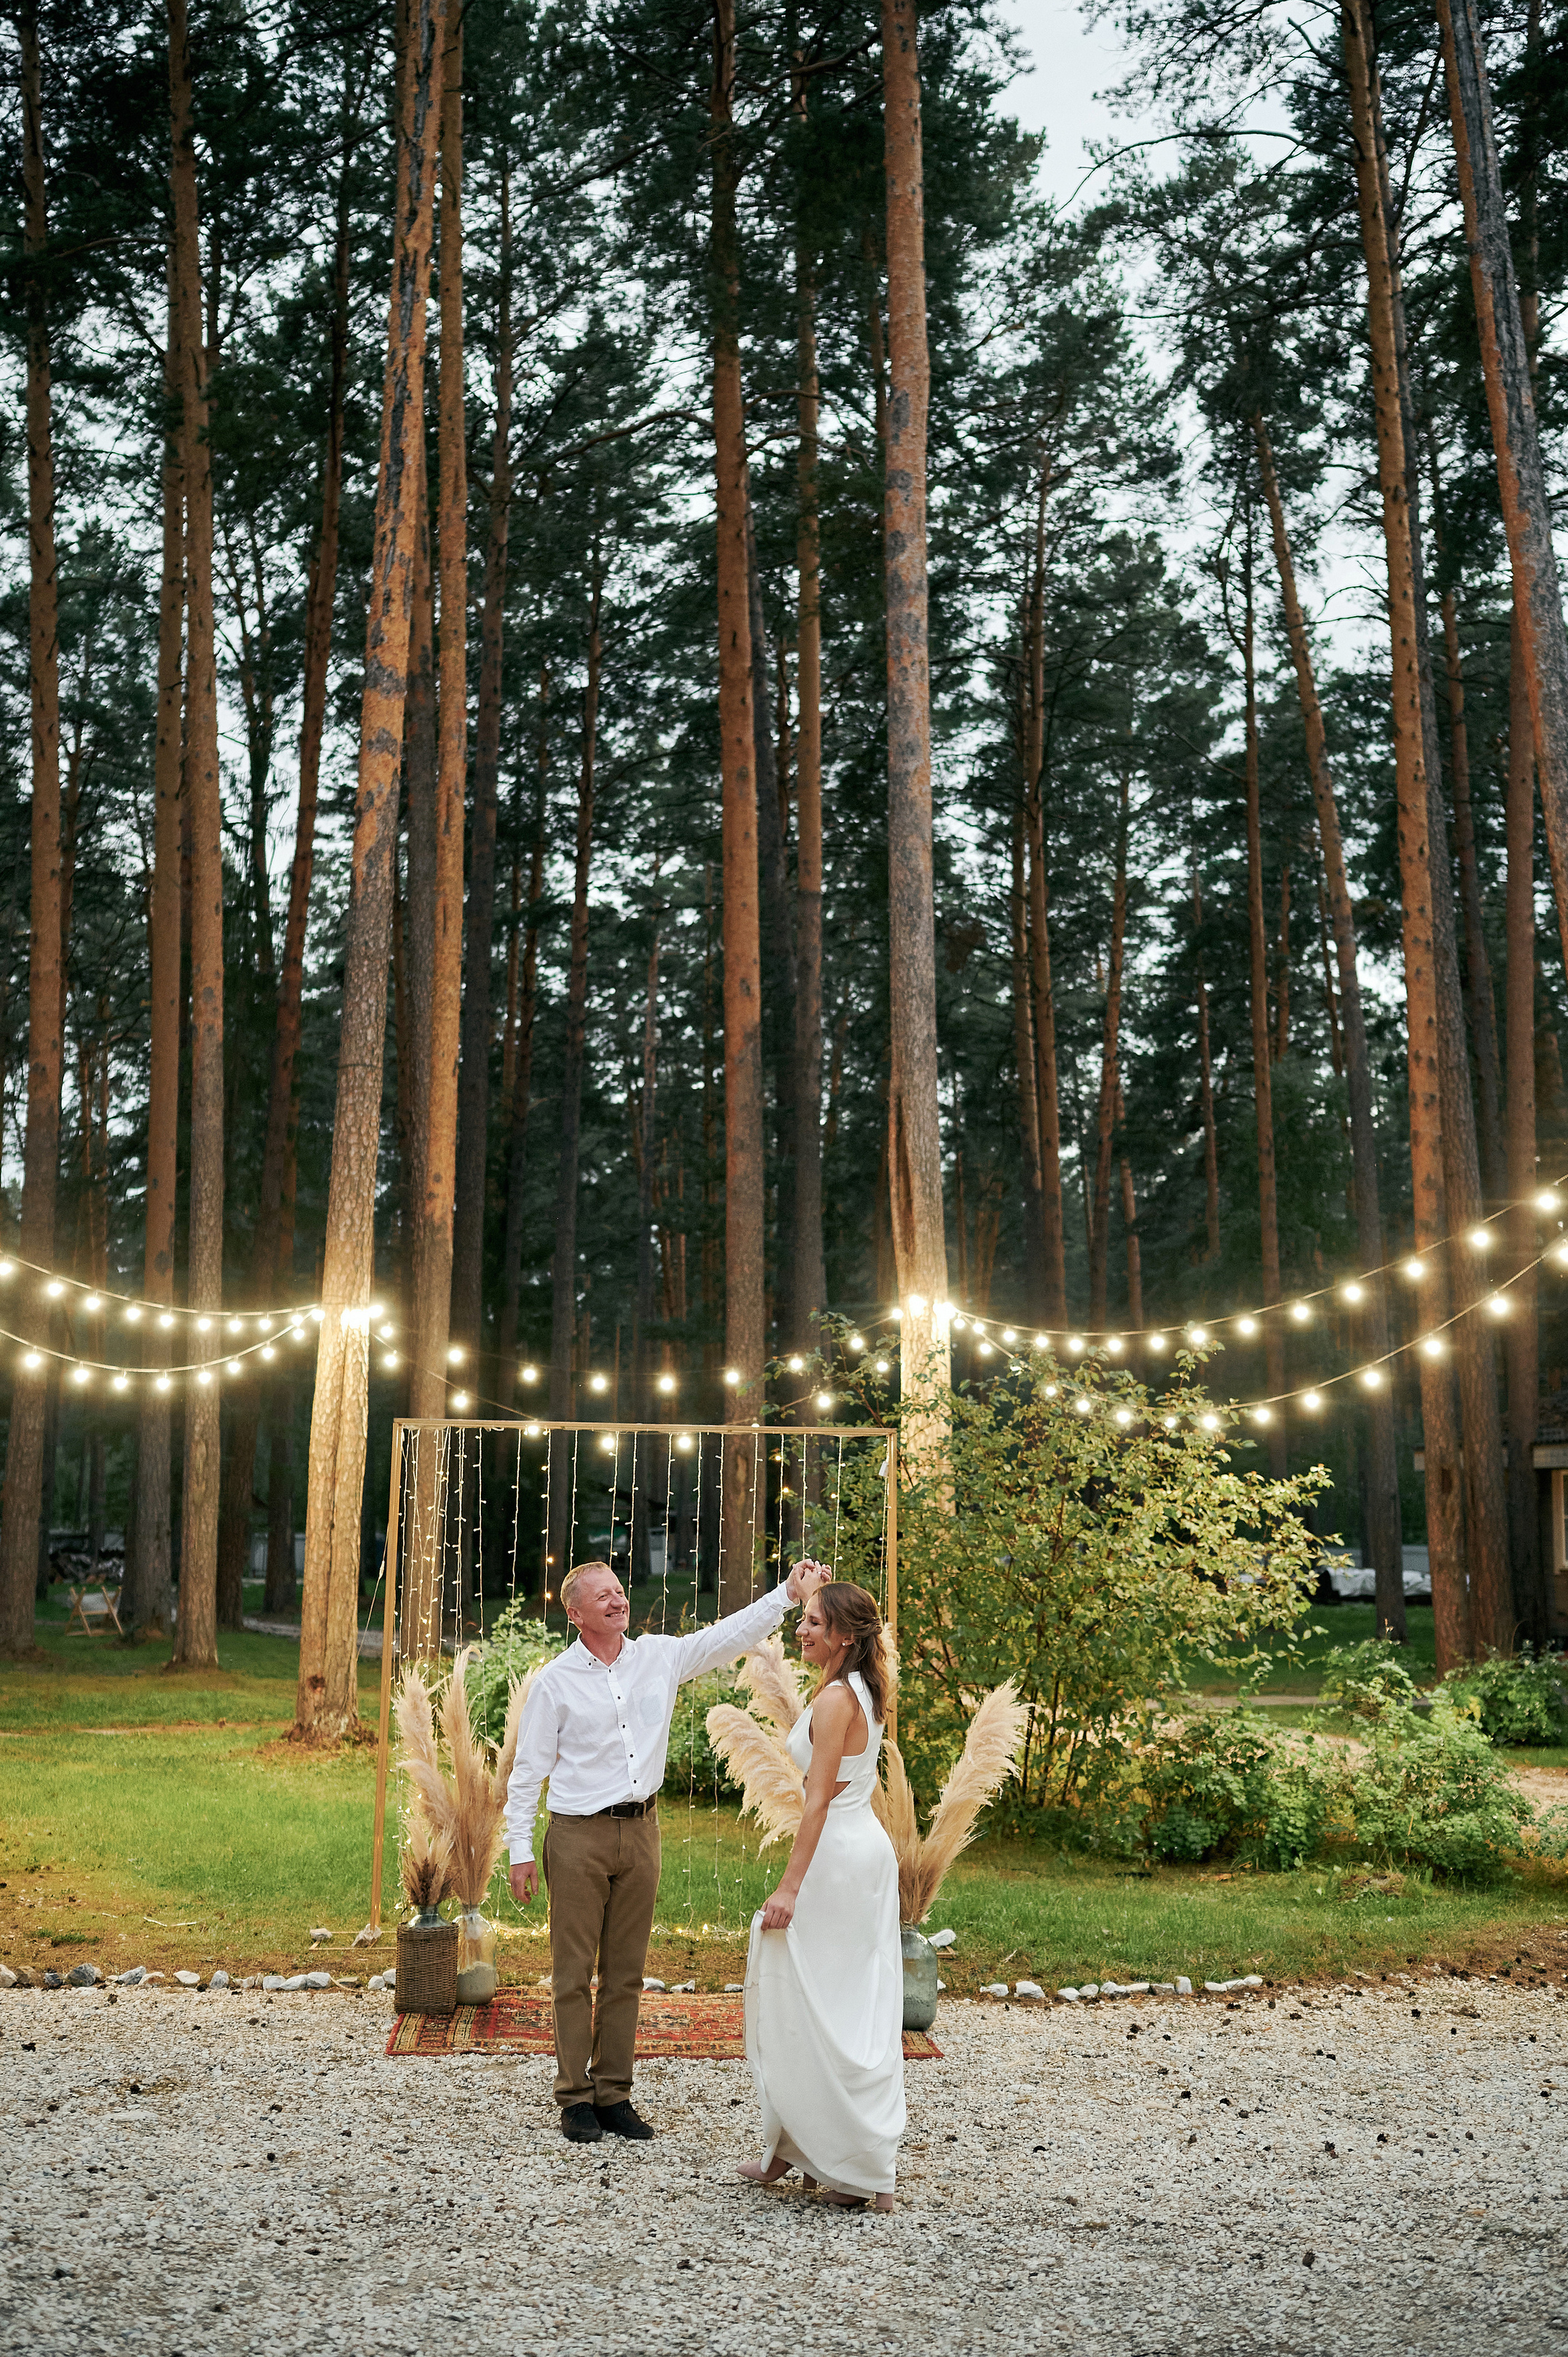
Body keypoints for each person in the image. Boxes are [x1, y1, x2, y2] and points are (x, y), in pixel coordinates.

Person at [506, 1553, 831, 2145]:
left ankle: (614, 2093)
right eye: (602, 1596)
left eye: (619, 1590)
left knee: (626, 1973)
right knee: (573, 1973)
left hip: (643, 1832)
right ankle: (574, 2097)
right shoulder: (556, 1682)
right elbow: (527, 1774)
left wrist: (786, 1594)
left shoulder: (659, 1656)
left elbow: (727, 1635)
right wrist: (519, 1850)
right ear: (576, 1614)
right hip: (577, 1836)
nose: (616, 1600)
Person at [739, 1580, 905, 2211]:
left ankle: (857, 2168)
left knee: (817, 2002)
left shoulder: (838, 1698)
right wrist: (812, 1587)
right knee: (842, 2004)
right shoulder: (861, 1685)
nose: (800, 1631)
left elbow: (817, 1799)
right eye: (801, 1620)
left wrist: (789, 1885)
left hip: (836, 1859)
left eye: (813, 1622)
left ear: (845, 1636)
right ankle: (801, 2148)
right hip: (862, 1852)